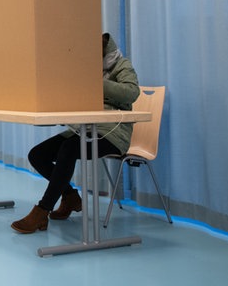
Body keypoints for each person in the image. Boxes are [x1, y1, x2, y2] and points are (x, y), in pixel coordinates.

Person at [11, 32, 140, 234]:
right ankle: (70, 196)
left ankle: (42, 210)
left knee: (68, 149)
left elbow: (132, 93)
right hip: (86, 129)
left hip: (114, 135)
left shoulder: (121, 65)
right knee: (38, 154)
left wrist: (95, 83)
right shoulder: (84, 68)